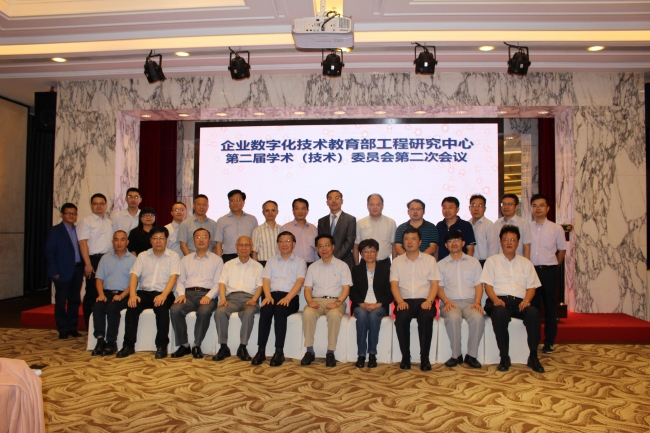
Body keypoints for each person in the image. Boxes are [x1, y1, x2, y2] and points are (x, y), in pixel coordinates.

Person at [481, 225, 544, 373]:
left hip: (520, 302)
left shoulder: (526, 263)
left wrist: (526, 301)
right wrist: (495, 299)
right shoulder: (492, 261)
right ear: (501, 242)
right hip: (498, 301)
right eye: (506, 240)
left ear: (518, 243)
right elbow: (487, 286)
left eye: (512, 240)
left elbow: (532, 287)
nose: (509, 243)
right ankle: (504, 357)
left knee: (533, 313)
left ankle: (533, 356)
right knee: (499, 313)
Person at [116, 226, 180, 359]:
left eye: (161, 238)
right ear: (150, 240)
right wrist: (132, 295)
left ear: (166, 240)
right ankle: (128, 345)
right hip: (144, 292)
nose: (158, 241)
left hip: (164, 293)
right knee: (132, 306)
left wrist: (163, 295)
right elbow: (134, 275)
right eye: (155, 238)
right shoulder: (143, 256)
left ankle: (162, 346)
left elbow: (173, 278)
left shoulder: (173, 256)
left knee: (161, 308)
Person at [251, 231, 307, 367]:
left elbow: (300, 282)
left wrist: (287, 298)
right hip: (272, 295)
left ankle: (279, 351)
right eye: (281, 241)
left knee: (280, 310)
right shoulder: (271, 260)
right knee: (266, 310)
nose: (284, 244)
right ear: (277, 244)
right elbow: (266, 280)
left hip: (290, 297)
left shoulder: (300, 262)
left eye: (287, 241)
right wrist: (267, 296)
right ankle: (261, 350)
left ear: (293, 244)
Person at [390, 227, 440, 371]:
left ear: (420, 242)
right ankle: (405, 357)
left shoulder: (430, 260)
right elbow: (394, 285)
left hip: (425, 300)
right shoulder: (397, 262)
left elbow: (434, 284)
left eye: (413, 238)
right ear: (403, 242)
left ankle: (425, 358)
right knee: (401, 318)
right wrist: (400, 301)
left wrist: (429, 301)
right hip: (404, 300)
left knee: (426, 318)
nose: (409, 242)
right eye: (406, 239)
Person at [170, 228, 223, 359]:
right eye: (198, 237)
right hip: (187, 295)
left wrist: (208, 296)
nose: (201, 240)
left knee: (204, 312)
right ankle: (184, 345)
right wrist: (181, 294)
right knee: (175, 310)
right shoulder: (185, 260)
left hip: (207, 295)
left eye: (204, 237)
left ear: (209, 240)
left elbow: (218, 283)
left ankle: (196, 345)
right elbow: (180, 281)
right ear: (193, 241)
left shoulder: (217, 260)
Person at [301, 234, 352, 368]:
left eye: (327, 245)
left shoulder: (342, 266)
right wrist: (310, 301)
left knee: (334, 315)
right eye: (320, 246)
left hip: (336, 301)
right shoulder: (312, 267)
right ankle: (309, 351)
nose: (324, 249)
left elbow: (346, 289)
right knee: (308, 313)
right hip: (316, 301)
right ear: (317, 249)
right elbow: (307, 289)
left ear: (333, 247)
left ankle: (330, 352)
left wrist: (337, 302)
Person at [436, 230, 484, 369]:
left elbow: (478, 285)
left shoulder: (473, 262)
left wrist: (477, 302)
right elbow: (439, 287)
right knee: (453, 318)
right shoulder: (441, 265)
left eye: (457, 240)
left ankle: (471, 356)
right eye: (450, 241)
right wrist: (446, 301)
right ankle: (456, 355)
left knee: (478, 318)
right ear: (446, 245)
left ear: (463, 243)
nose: (454, 243)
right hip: (450, 302)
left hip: (471, 302)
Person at [213, 236, 263, 362]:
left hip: (249, 299)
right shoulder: (228, 265)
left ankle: (243, 347)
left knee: (249, 312)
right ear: (236, 247)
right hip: (231, 299)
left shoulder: (258, 266)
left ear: (251, 247)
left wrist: (254, 299)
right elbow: (222, 283)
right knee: (220, 311)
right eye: (241, 245)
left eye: (247, 245)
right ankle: (223, 347)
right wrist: (223, 299)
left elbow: (260, 286)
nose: (244, 248)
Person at [529, 193, 566, 354]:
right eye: (535, 205)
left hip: (549, 271)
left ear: (548, 208)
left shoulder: (556, 228)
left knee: (550, 307)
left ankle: (549, 341)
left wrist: (555, 266)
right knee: (533, 307)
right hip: (532, 271)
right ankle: (534, 340)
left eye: (541, 205)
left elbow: (562, 250)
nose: (538, 208)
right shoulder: (527, 228)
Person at [90, 230, 136, 356]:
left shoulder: (133, 260)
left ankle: (111, 342)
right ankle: (100, 340)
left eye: (122, 239)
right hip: (107, 293)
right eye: (116, 239)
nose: (119, 242)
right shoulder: (105, 258)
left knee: (112, 307)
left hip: (124, 294)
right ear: (112, 242)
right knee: (97, 307)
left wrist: (121, 295)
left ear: (127, 242)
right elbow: (99, 279)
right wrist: (101, 294)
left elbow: (134, 282)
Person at [350, 238, 393, 369]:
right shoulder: (356, 270)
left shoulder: (386, 269)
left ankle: (372, 353)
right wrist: (362, 303)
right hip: (361, 305)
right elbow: (352, 291)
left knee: (374, 316)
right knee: (362, 315)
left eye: (372, 251)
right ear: (361, 254)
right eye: (365, 251)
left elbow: (390, 293)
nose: (369, 254)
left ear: (377, 252)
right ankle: (361, 354)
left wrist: (377, 304)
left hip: (379, 305)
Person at [45, 203, 83, 339]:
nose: (71, 216)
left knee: (74, 300)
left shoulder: (79, 230)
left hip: (77, 270)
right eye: (68, 213)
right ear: (62, 214)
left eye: (74, 213)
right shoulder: (55, 231)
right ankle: (62, 328)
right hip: (61, 272)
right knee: (61, 302)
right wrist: (53, 271)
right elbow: (49, 252)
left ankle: (72, 327)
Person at [77, 193, 113, 330]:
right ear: (91, 205)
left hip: (107, 259)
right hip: (93, 259)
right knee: (92, 293)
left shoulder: (109, 222)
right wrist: (87, 264)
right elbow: (82, 243)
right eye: (95, 203)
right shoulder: (86, 221)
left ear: (106, 205)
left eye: (101, 203)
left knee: (105, 292)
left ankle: (102, 325)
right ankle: (89, 327)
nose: (98, 206)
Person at [215, 189, 259, 263]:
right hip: (228, 257)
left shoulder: (252, 219)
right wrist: (219, 263)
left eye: (238, 200)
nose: (235, 203)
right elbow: (218, 244)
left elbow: (255, 242)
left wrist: (255, 261)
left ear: (243, 202)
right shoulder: (221, 220)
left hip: (248, 257)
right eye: (232, 200)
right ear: (229, 203)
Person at [353, 194, 396, 266]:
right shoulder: (360, 223)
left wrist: (394, 265)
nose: (375, 207)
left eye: (378, 204)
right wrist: (357, 265)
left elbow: (394, 245)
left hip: (384, 263)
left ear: (382, 206)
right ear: (367, 206)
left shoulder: (391, 222)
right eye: (372, 204)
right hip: (365, 263)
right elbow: (356, 245)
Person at [317, 190, 356, 270]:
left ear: (342, 201)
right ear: (327, 202)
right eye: (330, 198)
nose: (334, 201)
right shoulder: (322, 221)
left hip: (345, 261)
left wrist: (334, 259)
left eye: (337, 198)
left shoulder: (350, 219)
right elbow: (320, 242)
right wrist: (326, 257)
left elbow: (349, 242)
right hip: (325, 262)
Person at [436, 196, 476, 261]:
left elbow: (470, 248)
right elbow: (437, 248)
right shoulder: (439, 226)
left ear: (457, 209)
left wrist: (466, 263)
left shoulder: (466, 225)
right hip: (442, 264)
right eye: (444, 207)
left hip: (461, 264)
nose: (447, 210)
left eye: (450, 207)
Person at [281, 198, 319, 265]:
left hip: (310, 265)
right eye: (297, 208)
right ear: (293, 211)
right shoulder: (285, 228)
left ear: (307, 211)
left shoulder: (313, 228)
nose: (300, 211)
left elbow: (316, 250)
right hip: (291, 265)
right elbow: (280, 249)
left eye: (303, 208)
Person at [495, 194, 532, 259]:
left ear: (516, 207)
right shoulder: (497, 223)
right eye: (504, 204)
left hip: (517, 261)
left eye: (509, 204)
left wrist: (526, 263)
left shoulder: (523, 223)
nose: (506, 207)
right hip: (500, 261)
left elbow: (526, 246)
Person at [469, 194, 499, 267]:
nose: (476, 209)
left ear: (485, 208)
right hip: (469, 263)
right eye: (474, 205)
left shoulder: (489, 225)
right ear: (469, 208)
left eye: (480, 206)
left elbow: (493, 249)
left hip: (484, 263)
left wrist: (490, 266)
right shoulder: (466, 225)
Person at [251, 200, 280, 268]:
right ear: (263, 212)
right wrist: (255, 268)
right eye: (267, 210)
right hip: (262, 264)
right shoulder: (257, 230)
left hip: (279, 264)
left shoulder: (281, 229)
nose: (270, 213)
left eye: (273, 210)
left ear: (277, 212)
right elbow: (254, 252)